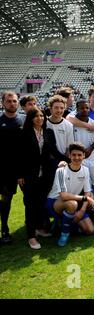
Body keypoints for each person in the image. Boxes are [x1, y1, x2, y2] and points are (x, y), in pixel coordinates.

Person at [18, 107, 63, 249]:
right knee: (30, 205)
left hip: (46, 175)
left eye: (42, 116)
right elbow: (18, 156)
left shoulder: (48, 132)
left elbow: (55, 152)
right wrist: (19, 174)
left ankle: (39, 228)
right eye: (36, 116)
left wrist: (68, 160)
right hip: (29, 176)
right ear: (31, 118)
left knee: (40, 204)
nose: (40, 118)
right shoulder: (24, 133)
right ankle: (31, 236)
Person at [46, 143, 94, 247]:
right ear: (69, 155)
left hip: (73, 201)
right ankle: (64, 234)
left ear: (83, 156)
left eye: (79, 155)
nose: (77, 158)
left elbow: (87, 192)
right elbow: (64, 196)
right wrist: (87, 198)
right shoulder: (61, 170)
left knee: (90, 230)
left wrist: (82, 211)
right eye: (74, 155)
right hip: (55, 202)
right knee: (72, 204)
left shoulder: (85, 170)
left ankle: (61, 224)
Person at [0, 91, 23, 244]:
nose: (12, 103)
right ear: (3, 103)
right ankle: (5, 230)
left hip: (22, 169)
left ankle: (35, 227)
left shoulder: (24, 120)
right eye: (9, 101)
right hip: (3, 170)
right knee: (5, 200)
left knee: (28, 199)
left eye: (14, 101)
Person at [46, 95, 74, 162]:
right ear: (50, 109)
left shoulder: (68, 125)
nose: (59, 110)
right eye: (56, 107)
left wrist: (65, 161)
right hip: (46, 160)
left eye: (61, 108)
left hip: (61, 160)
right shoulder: (44, 123)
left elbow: (68, 147)